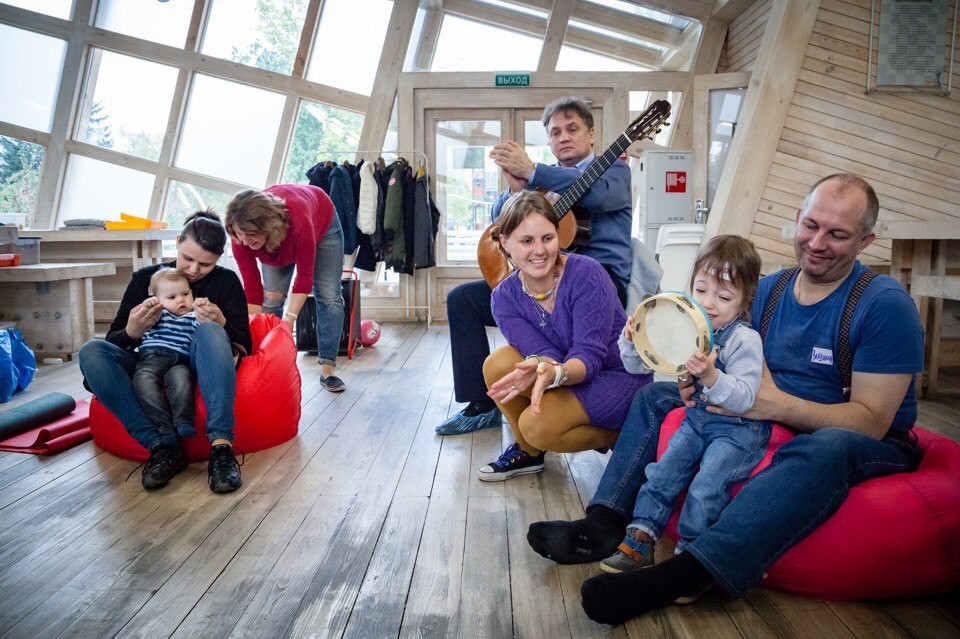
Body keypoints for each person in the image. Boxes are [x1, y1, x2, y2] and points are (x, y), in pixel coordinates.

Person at [520, 173, 923, 625]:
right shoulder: (769, 289)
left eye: (838, 234)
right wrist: (694, 383)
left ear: (865, 240)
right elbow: (724, 357)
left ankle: (693, 570)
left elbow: (872, 422)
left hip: (856, 438)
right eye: (810, 225)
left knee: (827, 447)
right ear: (797, 218)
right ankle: (605, 524)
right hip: (754, 411)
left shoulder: (884, 305)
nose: (817, 241)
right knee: (655, 396)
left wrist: (774, 406)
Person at [438, 95, 633, 436]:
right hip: (543, 279)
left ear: (591, 135)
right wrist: (517, 190)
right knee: (463, 300)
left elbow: (601, 196)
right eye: (555, 133)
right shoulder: (546, 179)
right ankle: (481, 404)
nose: (564, 137)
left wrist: (533, 172)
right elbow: (502, 222)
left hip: (600, 281)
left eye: (572, 129)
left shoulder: (614, 168)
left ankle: (574, 395)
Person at [601, 236, 769, 584]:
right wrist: (630, 340)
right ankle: (640, 538)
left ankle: (691, 557)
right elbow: (639, 367)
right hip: (697, 421)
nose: (709, 304)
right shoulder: (689, 326)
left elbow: (745, 398)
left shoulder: (744, 340)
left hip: (739, 430)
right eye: (701, 289)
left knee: (707, 485)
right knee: (662, 473)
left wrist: (711, 374)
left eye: (723, 297)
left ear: (743, 302)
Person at [477, 191, 648, 481]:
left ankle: (621, 437)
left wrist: (552, 374)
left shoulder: (587, 274)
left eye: (547, 237)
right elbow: (545, 352)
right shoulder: (504, 297)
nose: (539, 250)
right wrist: (538, 364)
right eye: (526, 241)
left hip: (616, 374)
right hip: (568, 371)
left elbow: (590, 358)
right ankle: (528, 453)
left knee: (536, 425)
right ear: (505, 243)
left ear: (559, 235)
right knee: (497, 365)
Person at [79, 210, 251, 493]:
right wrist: (133, 330)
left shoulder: (226, 282)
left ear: (219, 258)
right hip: (149, 358)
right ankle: (160, 446)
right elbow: (114, 340)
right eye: (188, 258)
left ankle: (221, 448)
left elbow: (246, 344)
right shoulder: (145, 279)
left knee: (209, 330)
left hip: (198, 361)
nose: (194, 270)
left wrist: (220, 323)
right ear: (177, 243)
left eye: (205, 264)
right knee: (91, 350)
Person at [225, 184, 346, 392]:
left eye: (250, 234)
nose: (244, 241)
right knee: (271, 298)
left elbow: (304, 277)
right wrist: (248, 335)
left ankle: (328, 369)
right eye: (239, 234)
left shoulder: (299, 222)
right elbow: (253, 289)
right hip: (277, 241)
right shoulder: (241, 239)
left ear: (267, 226)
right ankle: (268, 366)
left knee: (328, 297)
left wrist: (289, 320)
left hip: (322, 225)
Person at [131, 268, 201, 442]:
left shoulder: (195, 317)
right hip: (154, 356)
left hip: (181, 360)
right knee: (143, 380)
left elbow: (206, 336)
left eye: (185, 294)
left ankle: (183, 421)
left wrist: (205, 311)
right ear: (157, 300)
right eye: (172, 297)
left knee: (182, 382)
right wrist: (149, 306)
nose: (181, 300)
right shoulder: (159, 314)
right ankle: (164, 425)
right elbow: (138, 317)